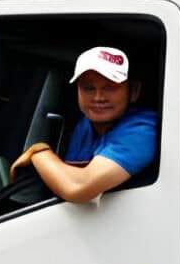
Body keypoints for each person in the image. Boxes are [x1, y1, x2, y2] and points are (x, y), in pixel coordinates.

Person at [11, 46, 160, 203]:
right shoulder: (85, 126)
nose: (98, 97)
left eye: (110, 87)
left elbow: (77, 187)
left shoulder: (143, 131)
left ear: (134, 91)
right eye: (89, 88)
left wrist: (39, 152)